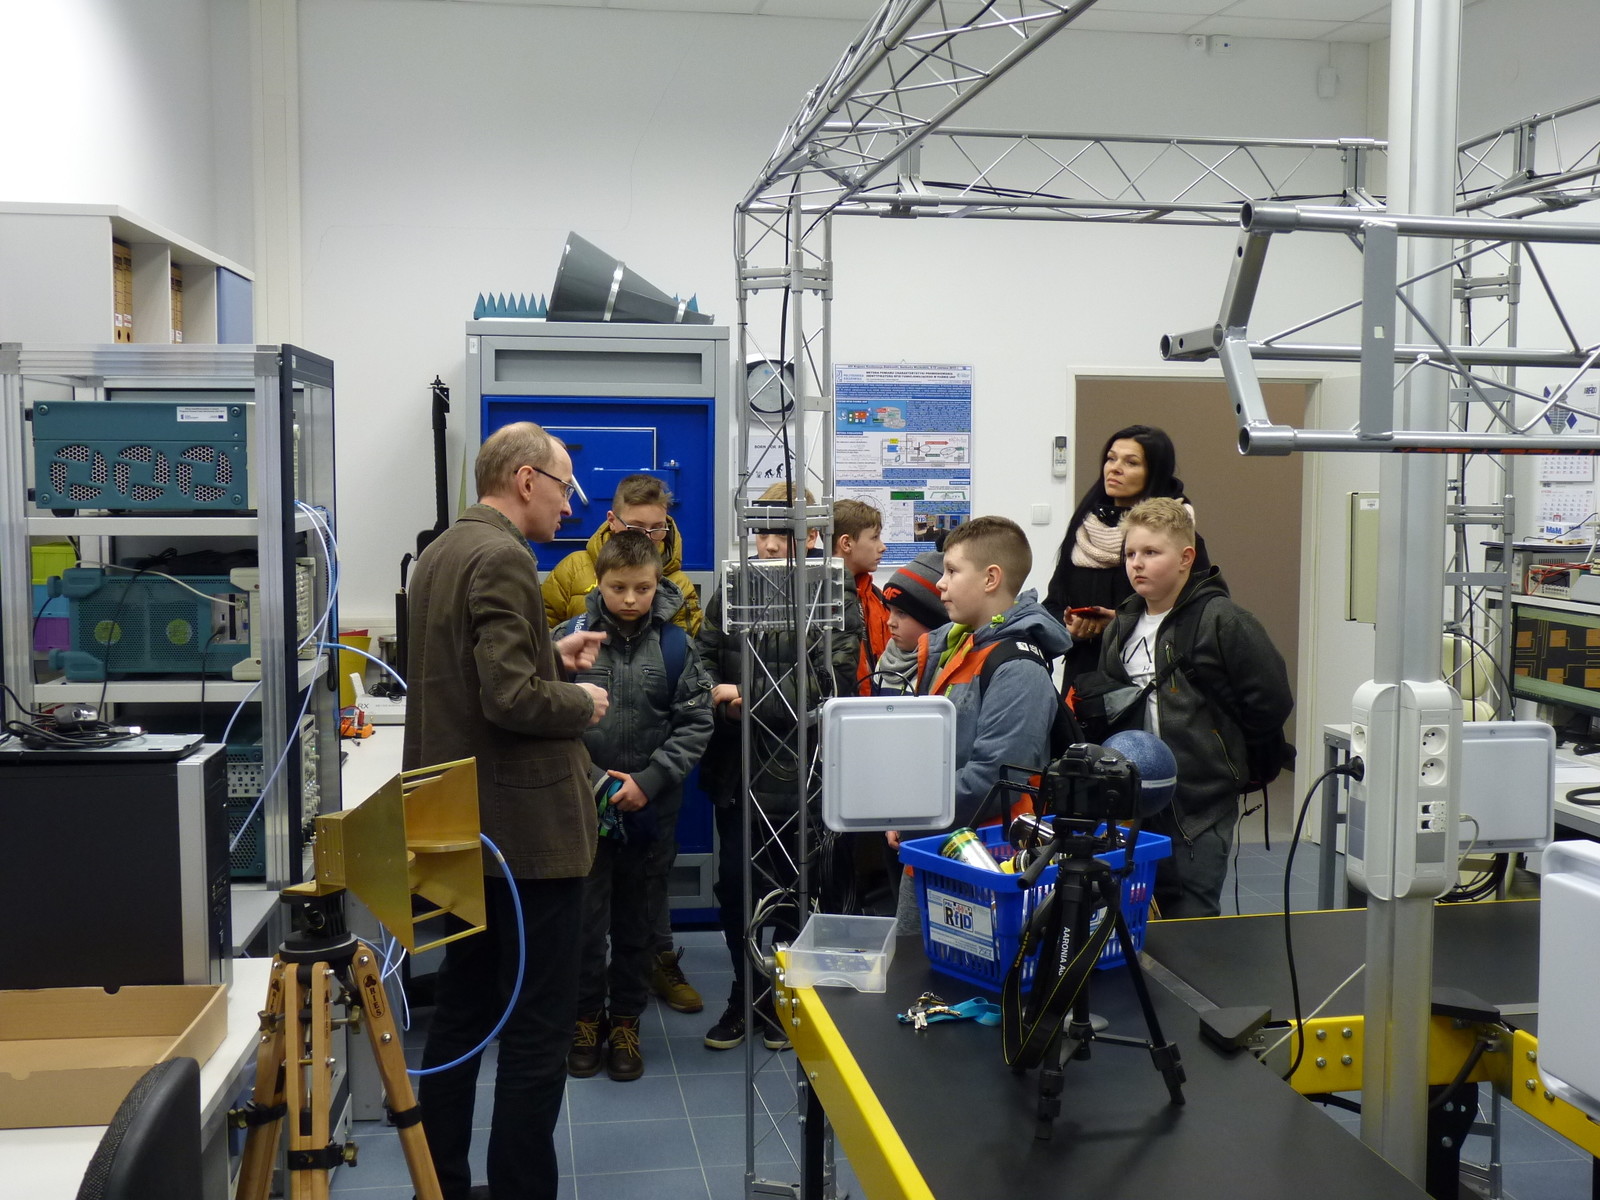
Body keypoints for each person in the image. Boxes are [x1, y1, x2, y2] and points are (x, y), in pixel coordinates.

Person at [403, 421, 610, 1200]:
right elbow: (512, 700)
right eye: (564, 488)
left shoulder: (443, 551)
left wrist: (549, 652)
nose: (569, 507)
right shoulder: (504, 556)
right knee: (536, 1030)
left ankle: (442, 1185)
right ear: (526, 480)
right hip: (523, 842)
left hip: (458, 825)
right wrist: (580, 701)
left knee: (461, 1015)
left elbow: (469, 675)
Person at [696, 482, 856, 1050]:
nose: (768, 544)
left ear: (809, 535)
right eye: (761, 531)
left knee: (795, 887)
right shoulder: (733, 587)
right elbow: (700, 660)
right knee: (736, 889)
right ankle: (747, 994)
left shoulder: (834, 593)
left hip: (803, 772)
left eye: (781, 533)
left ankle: (783, 1000)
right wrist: (714, 694)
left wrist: (745, 699)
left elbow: (833, 683)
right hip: (738, 771)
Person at [555, 531, 714, 1082]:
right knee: (583, 923)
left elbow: (696, 723)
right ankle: (585, 1019)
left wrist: (649, 780)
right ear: (597, 582)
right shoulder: (567, 640)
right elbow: (545, 719)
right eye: (617, 587)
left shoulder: (676, 647)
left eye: (642, 588)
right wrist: (596, 780)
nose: (629, 599)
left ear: (657, 584)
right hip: (582, 809)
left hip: (651, 810)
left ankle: (625, 1021)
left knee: (638, 924)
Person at [1096, 498, 1293, 918]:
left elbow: (1271, 699)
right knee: (1133, 911)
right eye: (1130, 554)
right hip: (1137, 799)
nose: (1137, 564)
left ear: (1186, 558)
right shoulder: (1121, 626)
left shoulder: (1223, 620)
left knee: (1191, 913)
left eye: (1151, 552)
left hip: (1200, 801)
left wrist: (1225, 758)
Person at [887, 517, 1071, 932]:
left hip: (985, 862)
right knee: (914, 965)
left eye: (953, 571)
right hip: (933, 847)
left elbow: (995, 778)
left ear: (991, 578)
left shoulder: (1018, 669)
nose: (940, 583)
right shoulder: (956, 646)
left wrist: (913, 812)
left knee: (960, 967)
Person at [1042, 425, 1202, 687]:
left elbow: (1197, 612)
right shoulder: (1084, 528)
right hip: (1084, 679)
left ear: (1154, 473)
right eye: (1111, 458)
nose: (1114, 468)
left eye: (1131, 462)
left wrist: (1121, 622)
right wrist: (1070, 624)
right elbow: (1052, 605)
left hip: (1149, 679)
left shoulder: (1177, 534)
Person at [542, 472, 703, 636]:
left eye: (657, 528)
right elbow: (540, 633)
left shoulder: (678, 586)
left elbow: (686, 646)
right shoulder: (573, 570)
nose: (647, 538)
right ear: (612, 521)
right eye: (636, 528)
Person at [833, 498, 890, 694]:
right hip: (840, 704)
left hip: (876, 703)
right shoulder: (819, 602)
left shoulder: (876, 597)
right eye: (874, 538)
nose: (882, 547)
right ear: (846, 543)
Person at [874, 549, 944, 694]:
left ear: (931, 619)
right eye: (890, 610)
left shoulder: (943, 669)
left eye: (901, 613)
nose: (890, 622)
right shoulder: (885, 662)